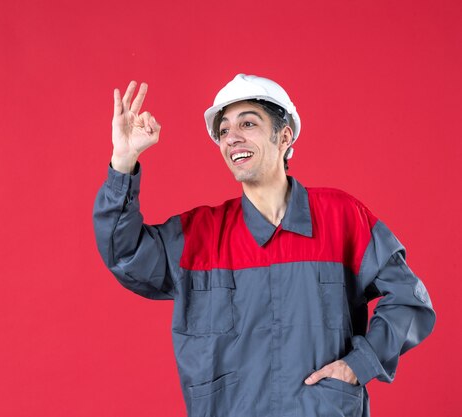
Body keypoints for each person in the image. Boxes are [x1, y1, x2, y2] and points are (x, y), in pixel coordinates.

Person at [93, 74, 435, 417]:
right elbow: (125, 254)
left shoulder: (341, 217)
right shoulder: (198, 235)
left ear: (284, 136)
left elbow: (410, 299)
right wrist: (123, 162)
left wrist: (359, 364)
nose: (232, 138)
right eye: (224, 130)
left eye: (248, 123)